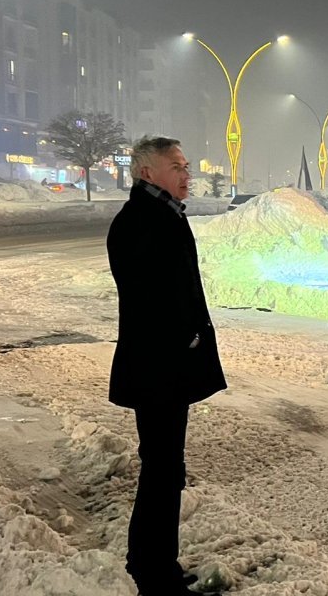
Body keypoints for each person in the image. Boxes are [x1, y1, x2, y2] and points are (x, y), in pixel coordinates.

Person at [106, 135, 226, 596]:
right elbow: (151, 299)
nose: (186, 173)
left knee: (165, 467)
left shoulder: (161, 215)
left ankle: (155, 563)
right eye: (175, 166)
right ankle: (154, 573)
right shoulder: (142, 220)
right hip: (159, 367)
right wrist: (187, 336)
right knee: (161, 468)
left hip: (165, 365)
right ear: (146, 173)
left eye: (186, 165)